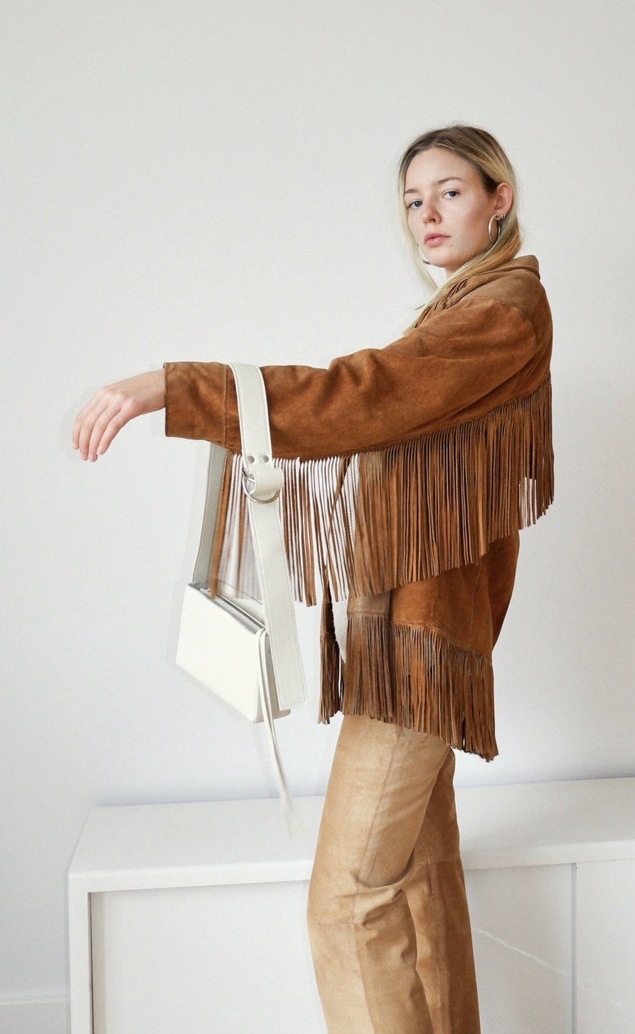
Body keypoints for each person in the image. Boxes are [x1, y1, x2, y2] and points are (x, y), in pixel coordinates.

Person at [73, 124, 554, 1032]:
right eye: (412, 200)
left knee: (347, 903)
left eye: (450, 192)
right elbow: (377, 412)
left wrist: (173, 387)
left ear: (500, 199)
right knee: (417, 887)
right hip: (412, 647)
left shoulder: (503, 312)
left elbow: (362, 394)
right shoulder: (466, 309)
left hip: (421, 652)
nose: (426, 214)